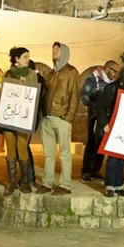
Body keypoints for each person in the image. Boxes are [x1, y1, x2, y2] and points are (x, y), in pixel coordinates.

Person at [0, 48, 37, 195]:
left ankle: (25, 182)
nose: (28, 59)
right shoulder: (7, 74)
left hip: (23, 117)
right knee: (10, 148)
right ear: (16, 59)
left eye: (28, 57)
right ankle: (12, 182)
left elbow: (34, 95)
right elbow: (2, 95)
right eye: (25, 57)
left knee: (22, 147)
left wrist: (25, 84)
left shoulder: (32, 75)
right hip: (9, 116)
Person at [95, 64, 124, 197]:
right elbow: (101, 107)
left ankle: (119, 186)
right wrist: (104, 125)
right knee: (113, 157)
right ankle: (110, 186)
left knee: (121, 158)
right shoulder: (112, 88)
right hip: (112, 127)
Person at [41, 41, 81, 194]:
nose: (54, 51)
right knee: (48, 155)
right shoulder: (51, 74)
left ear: (64, 52)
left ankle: (65, 184)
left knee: (64, 153)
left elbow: (74, 95)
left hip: (62, 118)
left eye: (57, 49)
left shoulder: (71, 72)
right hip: (47, 118)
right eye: (53, 49)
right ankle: (47, 182)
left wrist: (68, 117)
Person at [79, 60, 119, 182]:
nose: (115, 74)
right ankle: (86, 170)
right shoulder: (93, 79)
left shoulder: (113, 84)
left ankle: (96, 169)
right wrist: (94, 106)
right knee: (92, 141)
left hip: (107, 116)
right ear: (108, 69)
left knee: (103, 142)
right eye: (114, 71)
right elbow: (84, 94)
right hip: (94, 115)